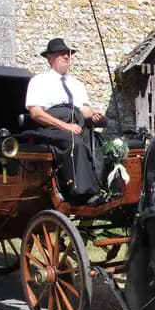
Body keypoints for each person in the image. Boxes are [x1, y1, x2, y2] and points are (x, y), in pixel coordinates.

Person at [25, 37, 105, 203]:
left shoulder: (77, 84)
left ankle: (102, 186)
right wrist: (65, 126)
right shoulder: (39, 81)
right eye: (61, 53)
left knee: (98, 141)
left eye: (68, 54)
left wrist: (92, 113)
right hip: (51, 127)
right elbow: (36, 113)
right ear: (49, 58)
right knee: (74, 141)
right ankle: (82, 193)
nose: (66, 57)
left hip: (77, 123)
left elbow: (83, 109)